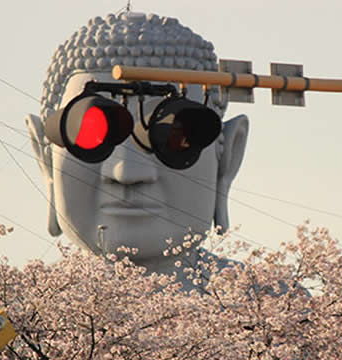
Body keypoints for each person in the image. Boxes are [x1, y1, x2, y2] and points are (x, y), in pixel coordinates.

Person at [25, 12, 249, 288]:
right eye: (90, 133)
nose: (126, 172)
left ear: (228, 156)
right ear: (44, 156)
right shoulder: (2, 320)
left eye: (174, 135)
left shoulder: (273, 304)